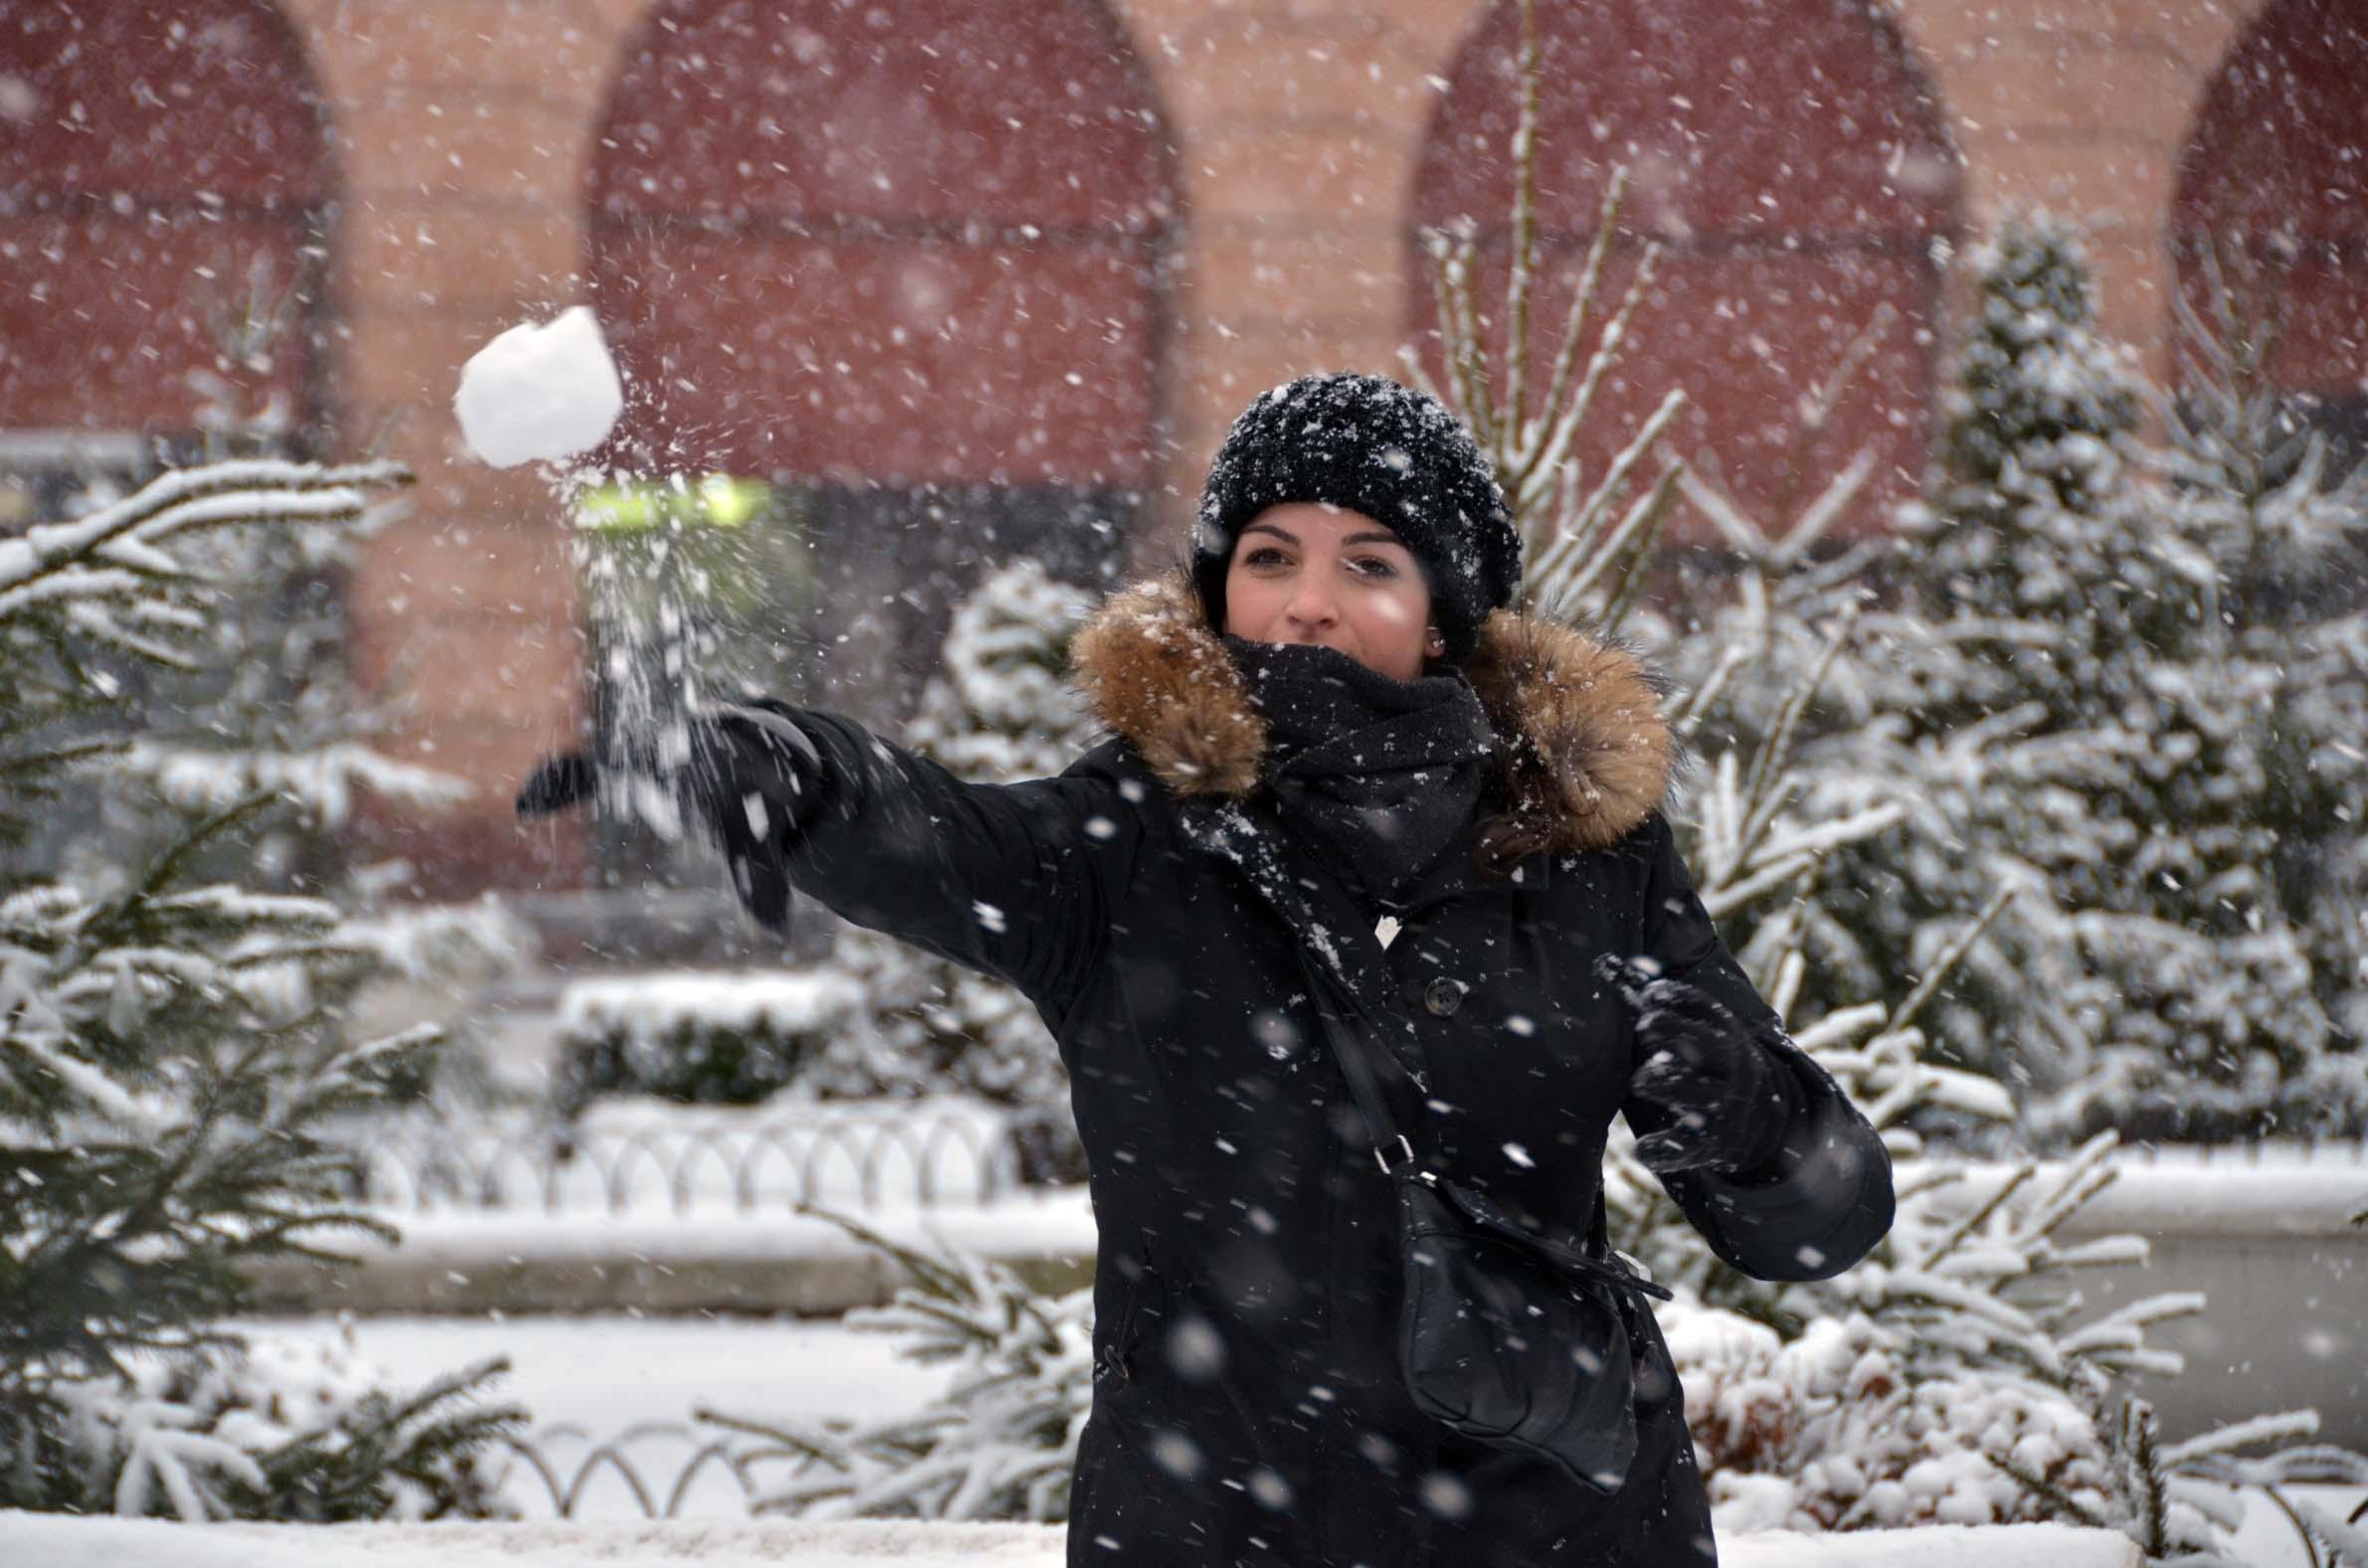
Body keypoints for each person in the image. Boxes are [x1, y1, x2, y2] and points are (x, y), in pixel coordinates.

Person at [520, 372, 1894, 1566]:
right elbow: (938, 831)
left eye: (1368, 564)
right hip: (1215, 1521)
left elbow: (1815, 1223)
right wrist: (798, 775)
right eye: (1269, 556)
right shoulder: (1131, 840)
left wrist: (1754, 1116)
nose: (1306, 603)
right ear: (1217, 584)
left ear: (1443, 612)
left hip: (1561, 1524)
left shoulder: (1586, 850)